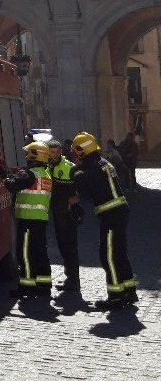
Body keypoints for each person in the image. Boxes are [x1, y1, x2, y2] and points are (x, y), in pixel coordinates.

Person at [71, 131, 137, 310]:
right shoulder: (102, 162)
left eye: (76, 151)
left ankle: (116, 297)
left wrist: (74, 171)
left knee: (108, 255)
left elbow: (82, 190)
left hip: (111, 214)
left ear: (82, 150)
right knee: (120, 253)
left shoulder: (89, 168)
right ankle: (129, 291)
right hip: (119, 211)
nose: (75, 155)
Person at [3, 141, 53, 299]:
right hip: (40, 220)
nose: (26, 157)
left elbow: (13, 185)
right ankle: (44, 286)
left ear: (34, 155)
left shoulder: (31, 174)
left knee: (24, 253)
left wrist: (3, 177)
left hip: (27, 219)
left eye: (29, 153)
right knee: (40, 252)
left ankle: (27, 287)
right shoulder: (44, 174)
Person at [47, 139, 81, 293]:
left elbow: (82, 185)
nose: (53, 155)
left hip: (67, 213)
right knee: (62, 245)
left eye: (55, 152)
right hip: (57, 212)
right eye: (50, 152)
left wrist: (77, 197)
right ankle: (70, 278)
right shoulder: (49, 167)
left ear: (60, 151)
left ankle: (74, 281)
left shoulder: (69, 167)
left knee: (69, 247)